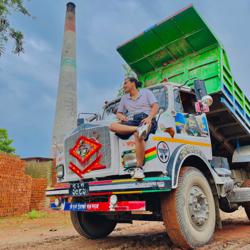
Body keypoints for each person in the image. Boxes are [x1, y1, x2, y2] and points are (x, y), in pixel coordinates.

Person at [109, 77, 159, 180]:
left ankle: (139, 169)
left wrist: (149, 118)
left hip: (146, 119)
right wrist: (121, 116)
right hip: (133, 122)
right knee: (112, 126)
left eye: (125, 83)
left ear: (133, 83)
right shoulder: (124, 98)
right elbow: (119, 112)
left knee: (138, 135)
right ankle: (137, 129)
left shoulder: (146, 92)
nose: (124, 86)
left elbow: (155, 106)